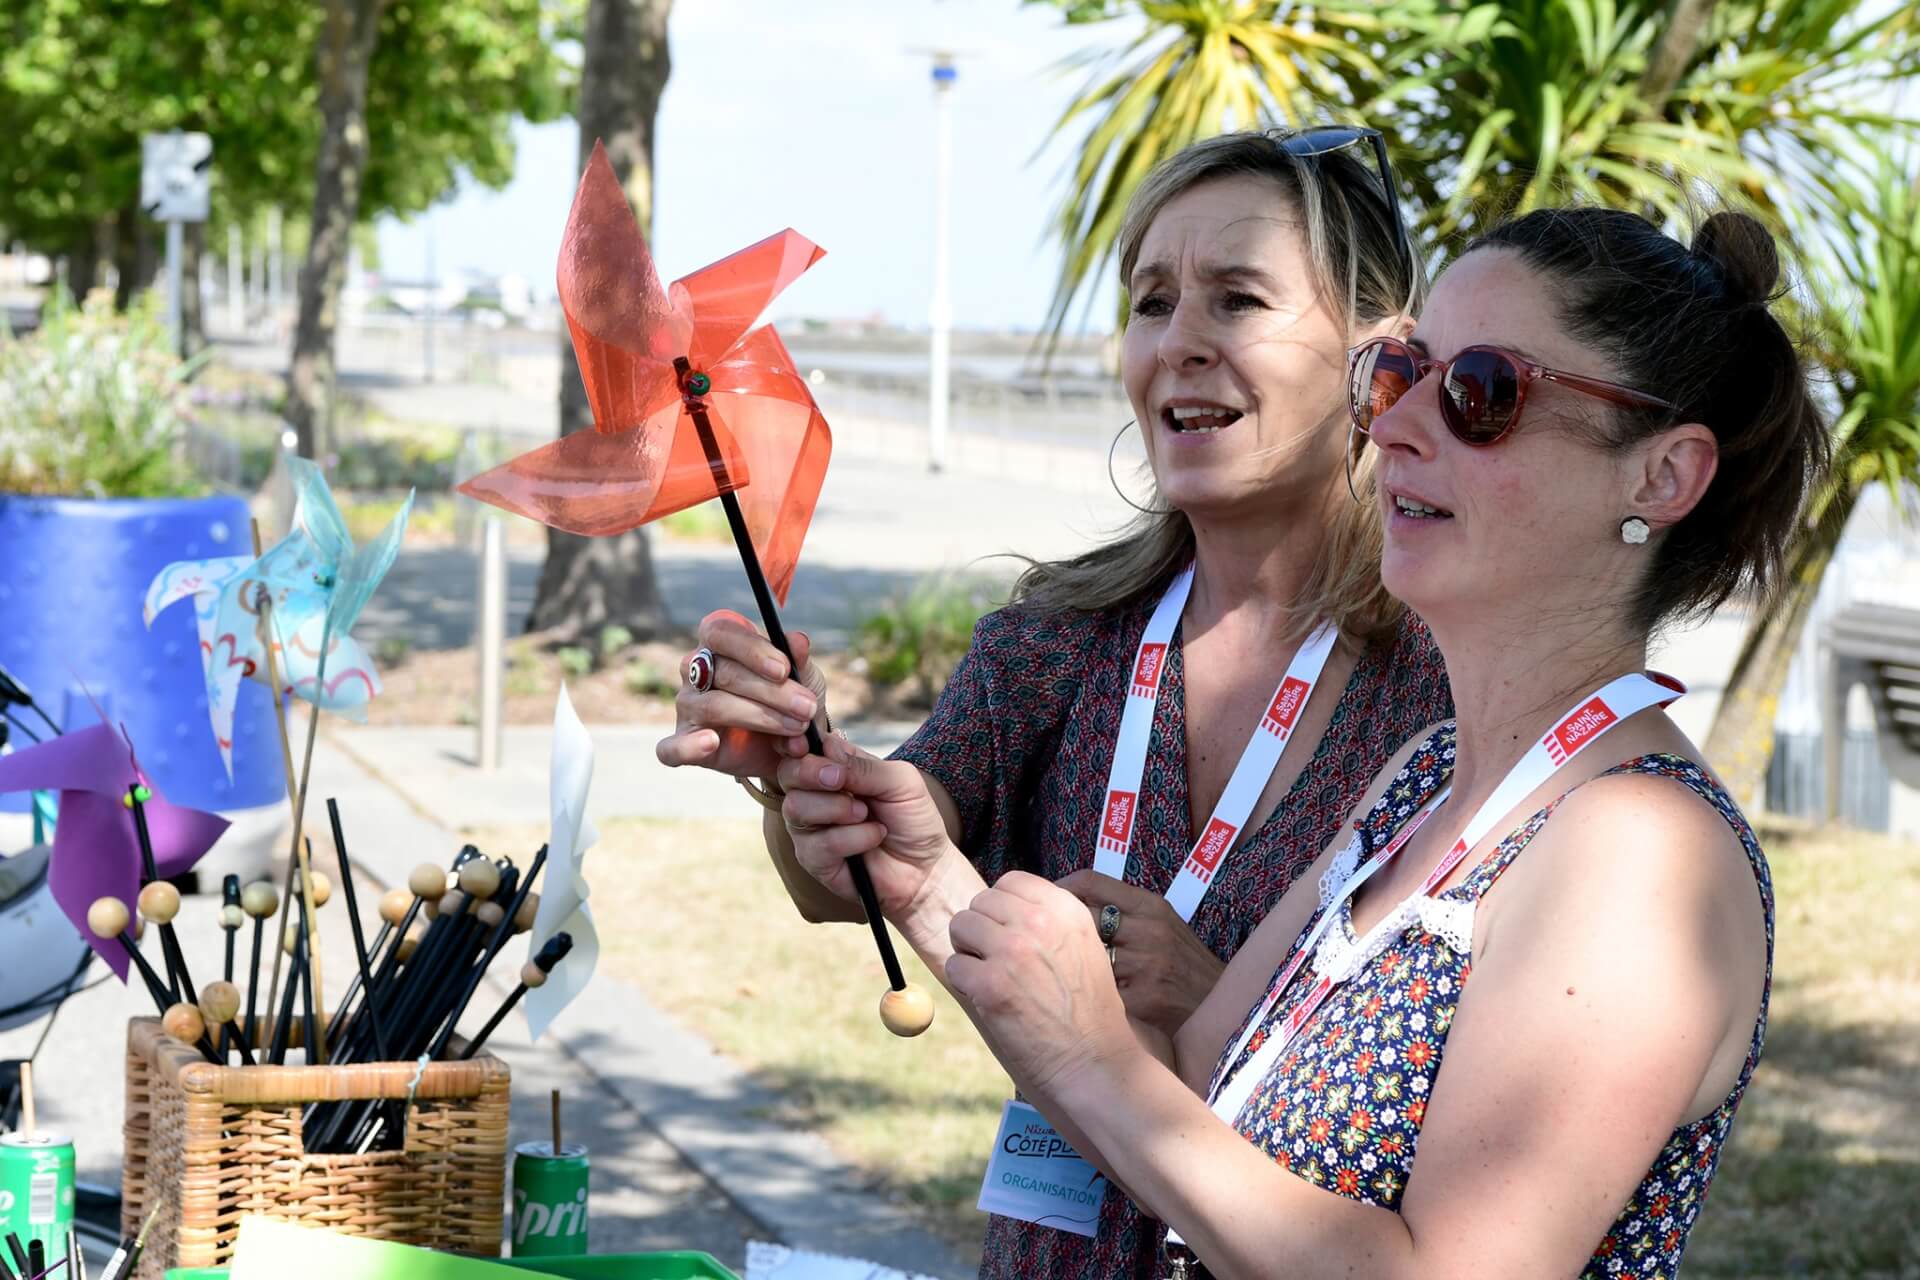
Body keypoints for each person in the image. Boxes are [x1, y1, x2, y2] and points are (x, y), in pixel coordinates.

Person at [773, 204, 1821, 1279]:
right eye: (1401, 373)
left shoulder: (1639, 850)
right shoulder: (1424, 781)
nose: (1399, 422)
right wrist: (927, 886)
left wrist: (1090, 1057)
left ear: (1660, 476)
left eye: (1482, 392)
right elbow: (1185, 1094)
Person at [656, 129, 1452, 1277]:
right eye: (1151, 301)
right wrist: (802, 776)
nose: (1178, 345)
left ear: (1379, 359)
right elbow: (853, 877)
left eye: (1237, 300)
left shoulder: (1438, 687)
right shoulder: (1057, 636)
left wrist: (1219, 996)